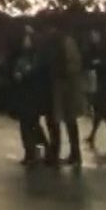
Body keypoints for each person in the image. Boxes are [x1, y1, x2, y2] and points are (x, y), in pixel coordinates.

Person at [7, 29, 51, 164]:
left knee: (29, 124)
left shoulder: (33, 59)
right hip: (28, 95)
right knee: (30, 124)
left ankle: (33, 151)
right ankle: (35, 150)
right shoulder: (29, 58)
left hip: (29, 94)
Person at [44, 25, 84, 166]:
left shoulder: (64, 42)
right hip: (62, 85)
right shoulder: (61, 42)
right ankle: (72, 152)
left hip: (65, 86)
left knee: (68, 120)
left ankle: (74, 153)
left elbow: (73, 64)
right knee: (66, 120)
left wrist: (66, 79)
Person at [84, 30, 106, 144]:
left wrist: (97, 64)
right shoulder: (103, 52)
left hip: (104, 86)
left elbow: (103, 66)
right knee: (102, 112)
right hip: (104, 85)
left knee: (100, 111)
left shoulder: (102, 53)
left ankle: (95, 135)